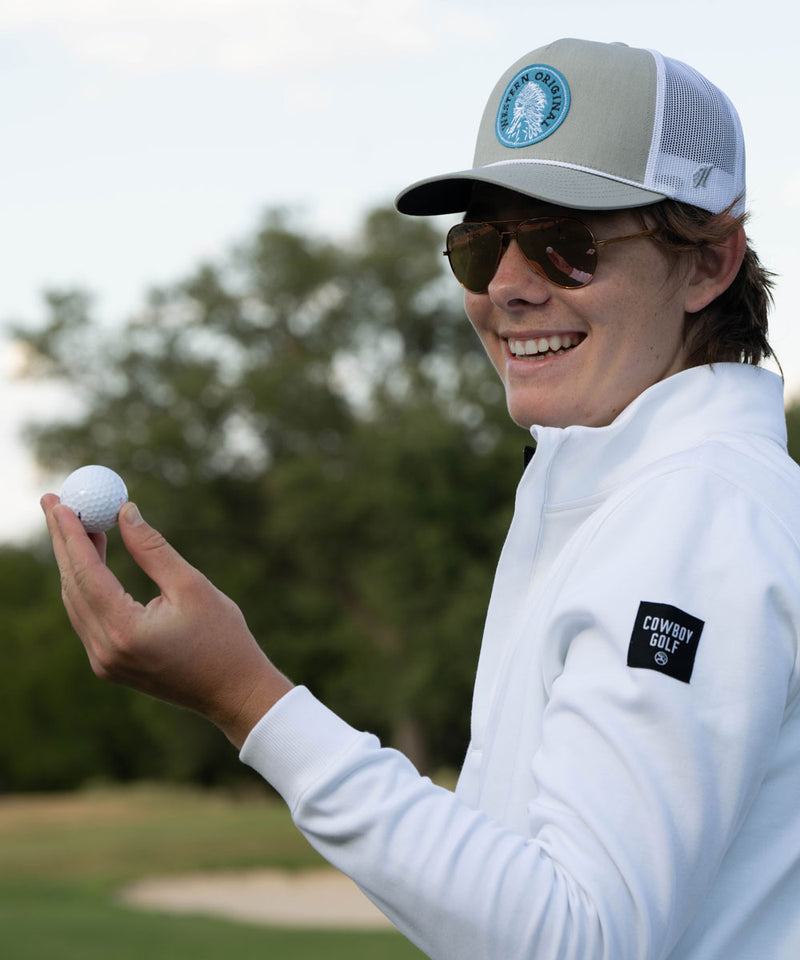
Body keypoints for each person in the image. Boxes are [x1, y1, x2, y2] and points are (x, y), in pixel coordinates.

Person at [41, 38, 800, 959]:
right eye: (483, 247)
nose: (509, 289)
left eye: (568, 245)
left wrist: (248, 698)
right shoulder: (615, 486)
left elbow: (578, 937)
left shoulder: (699, 512)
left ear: (711, 264)